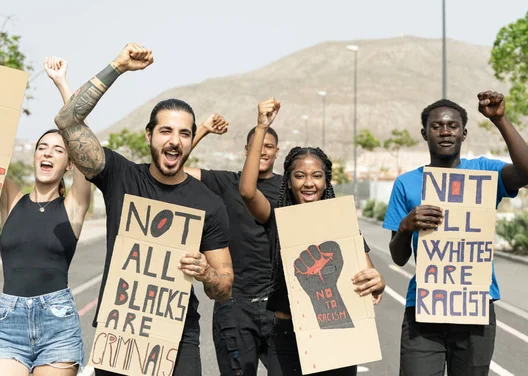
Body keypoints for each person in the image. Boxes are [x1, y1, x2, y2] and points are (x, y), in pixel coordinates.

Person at [53, 43, 233, 376]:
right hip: (121, 333)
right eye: (166, 131)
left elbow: (224, 286)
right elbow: (67, 120)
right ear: (149, 135)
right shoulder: (120, 175)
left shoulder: (208, 204)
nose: (175, 140)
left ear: (192, 141)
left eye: (184, 134)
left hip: (179, 339)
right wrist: (118, 66)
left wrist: (206, 273)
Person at [0, 52, 92, 376]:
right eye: (42, 148)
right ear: (34, 157)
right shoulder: (10, 199)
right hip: (10, 324)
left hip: (57, 325)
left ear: (69, 164)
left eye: (58, 150)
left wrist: (62, 84)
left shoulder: (74, 205)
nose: (48, 153)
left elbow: (83, 140)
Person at [383, 91, 528, 376]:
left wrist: (500, 120)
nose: (445, 131)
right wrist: (405, 227)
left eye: (453, 126)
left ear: (464, 134)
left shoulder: (484, 172)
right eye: (437, 126)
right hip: (423, 309)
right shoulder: (406, 183)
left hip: (475, 305)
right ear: (425, 134)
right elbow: (398, 259)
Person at [239, 98, 386, 376]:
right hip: (287, 338)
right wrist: (261, 128)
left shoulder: (342, 223)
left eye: (316, 175)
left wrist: (379, 281)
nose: (309, 182)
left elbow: (372, 280)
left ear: (326, 181)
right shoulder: (277, 218)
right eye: (299, 175)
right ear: (289, 182)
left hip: (337, 335)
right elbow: (247, 191)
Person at [185, 114, 282, 375]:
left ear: (277, 152)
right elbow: (171, 168)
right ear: (246, 151)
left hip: (279, 306)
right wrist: (203, 130)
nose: (263, 151)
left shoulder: (289, 188)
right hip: (234, 304)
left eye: (269, 146)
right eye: (257, 146)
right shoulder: (225, 182)